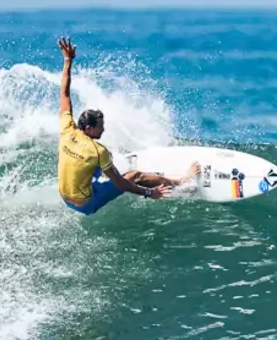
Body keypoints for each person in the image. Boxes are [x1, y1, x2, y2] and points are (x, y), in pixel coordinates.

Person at [55, 37, 196, 215]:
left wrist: (68, 60)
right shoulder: (98, 150)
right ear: (89, 128)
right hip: (86, 203)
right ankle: (182, 181)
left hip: (64, 196)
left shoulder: (67, 129)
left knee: (99, 164)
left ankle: (107, 172)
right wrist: (149, 192)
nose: (103, 129)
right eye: (100, 126)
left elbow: (64, 94)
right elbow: (121, 183)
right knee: (134, 176)